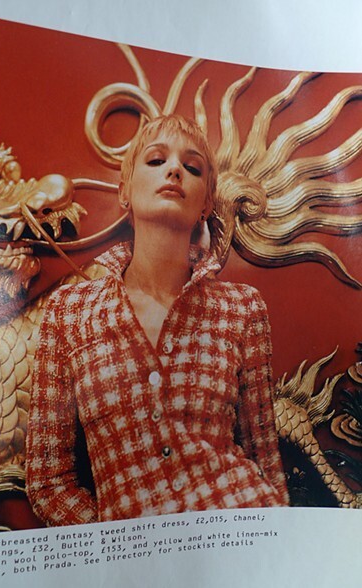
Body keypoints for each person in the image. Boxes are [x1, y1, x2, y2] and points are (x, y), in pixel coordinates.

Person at [26, 114, 289, 526]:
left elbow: (266, 461)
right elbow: (48, 482)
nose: (174, 170)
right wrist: (118, 544)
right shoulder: (69, 312)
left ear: (206, 204)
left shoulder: (242, 308)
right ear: (124, 191)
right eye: (155, 160)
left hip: (240, 527)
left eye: (193, 167)